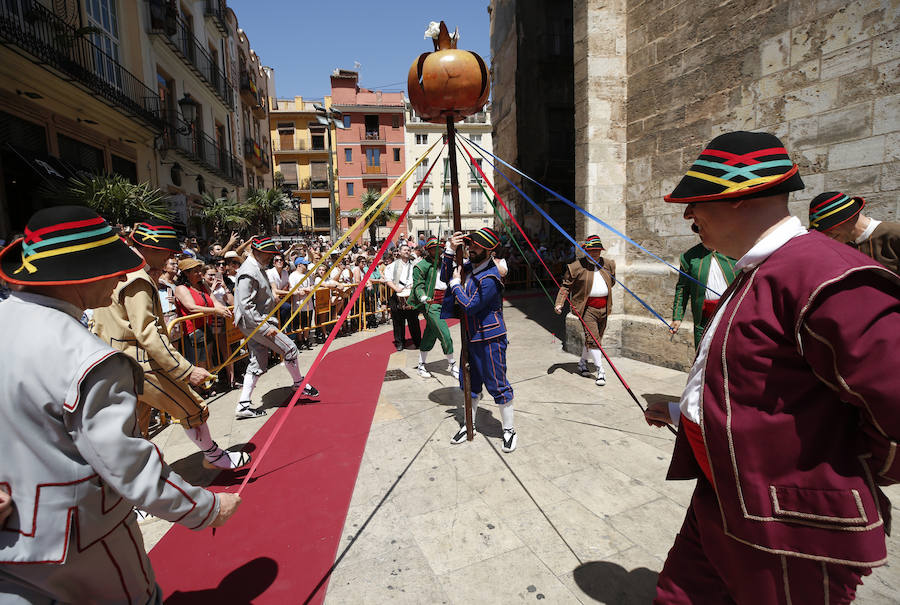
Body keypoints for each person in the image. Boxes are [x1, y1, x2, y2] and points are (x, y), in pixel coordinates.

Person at [642, 131, 900, 603]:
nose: (687, 216)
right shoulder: (759, 269)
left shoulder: (823, 273)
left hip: (788, 530)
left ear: (738, 197)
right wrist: (685, 414)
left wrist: (833, 476)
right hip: (721, 499)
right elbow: (762, 391)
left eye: (694, 202)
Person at [0, 207, 240, 603]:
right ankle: (214, 456)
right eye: (111, 266)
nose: (118, 276)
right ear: (82, 274)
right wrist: (208, 508)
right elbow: (129, 466)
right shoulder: (85, 358)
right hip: (80, 541)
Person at [92, 221, 247, 470]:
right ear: (151, 249)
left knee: (135, 429)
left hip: (116, 361)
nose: (170, 258)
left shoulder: (119, 271)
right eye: (167, 252)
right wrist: (187, 370)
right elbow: (148, 333)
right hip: (138, 362)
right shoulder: (137, 278)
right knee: (192, 407)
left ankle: (134, 488)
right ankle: (213, 456)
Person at [441, 227, 517, 453]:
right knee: (469, 384)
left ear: (489, 251)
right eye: (469, 244)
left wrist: (456, 286)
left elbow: (470, 305)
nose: (470, 248)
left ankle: (509, 430)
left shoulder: (491, 277)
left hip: (490, 337)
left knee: (497, 383)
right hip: (471, 337)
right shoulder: (469, 268)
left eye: (476, 246)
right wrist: (449, 250)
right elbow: (446, 275)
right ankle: (469, 424)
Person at [233, 236, 319, 419]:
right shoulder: (248, 271)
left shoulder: (257, 267)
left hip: (256, 322)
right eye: (268, 254)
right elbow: (245, 304)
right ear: (257, 252)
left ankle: (243, 404)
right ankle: (298, 383)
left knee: (258, 360)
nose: (271, 258)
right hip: (256, 323)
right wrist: (263, 325)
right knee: (290, 348)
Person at [554, 235, 616, 386]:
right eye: (592, 250)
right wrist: (559, 303)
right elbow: (566, 287)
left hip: (604, 308)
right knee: (594, 340)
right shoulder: (575, 267)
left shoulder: (608, 264)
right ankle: (600, 370)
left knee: (595, 339)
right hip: (587, 309)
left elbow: (612, 281)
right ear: (586, 250)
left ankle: (582, 363)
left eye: (598, 250)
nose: (595, 253)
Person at [808, 191, 900, 273]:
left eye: (829, 230)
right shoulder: (841, 247)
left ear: (847, 219)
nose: (827, 237)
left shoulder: (895, 234)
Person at [670, 242, 737, 348]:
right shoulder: (689, 257)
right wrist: (677, 317)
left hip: (732, 314)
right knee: (704, 354)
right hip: (704, 319)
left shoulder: (734, 250)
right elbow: (682, 289)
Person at [410, 236, 458, 379]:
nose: (438, 251)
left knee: (430, 335)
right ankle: (453, 365)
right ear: (428, 250)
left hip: (445, 303)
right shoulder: (420, 266)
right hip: (431, 305)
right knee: (445, 335)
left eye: (440, 249)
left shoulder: (446, 263)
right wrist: (423, 297)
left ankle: (421, 364)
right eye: (434, 249)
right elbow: (418, 286)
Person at [174, 258, 232, 368]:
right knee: (195, 363)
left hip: (206, 328)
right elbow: (191, 307)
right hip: (192, 331)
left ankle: (205, 384)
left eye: (200, 270)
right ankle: (198, 385)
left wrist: (225, 310)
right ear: (186, 273)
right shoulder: (181, 288)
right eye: (195, 271)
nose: (200, 273)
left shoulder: (203, 285)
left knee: (205, 360)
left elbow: (214, 301)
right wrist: (215, 311)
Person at [385, 243, 421, 351]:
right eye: (404, 250)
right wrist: (396, 289)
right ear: (399, 252)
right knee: (398, 322)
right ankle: (399, 343)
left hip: (410, 296)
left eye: (408, 250)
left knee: (413, 320)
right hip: (397, 295)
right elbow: (388, 280)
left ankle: (417, 342)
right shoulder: (392, 266)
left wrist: (414, 287)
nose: (407, 251)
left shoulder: (414, 265)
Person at [289, 257, 315, 350]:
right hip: (298, 304)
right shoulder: (293, 275)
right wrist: (302, 290)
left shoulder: (308, 275)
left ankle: (306, 339)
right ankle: (299, 341)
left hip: (308, 303)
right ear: (299, 265)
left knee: (307, 323)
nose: (306, 266)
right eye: (305, 264)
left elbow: (312, 285)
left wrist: (310, 289)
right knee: (299, 324)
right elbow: (292, 289)